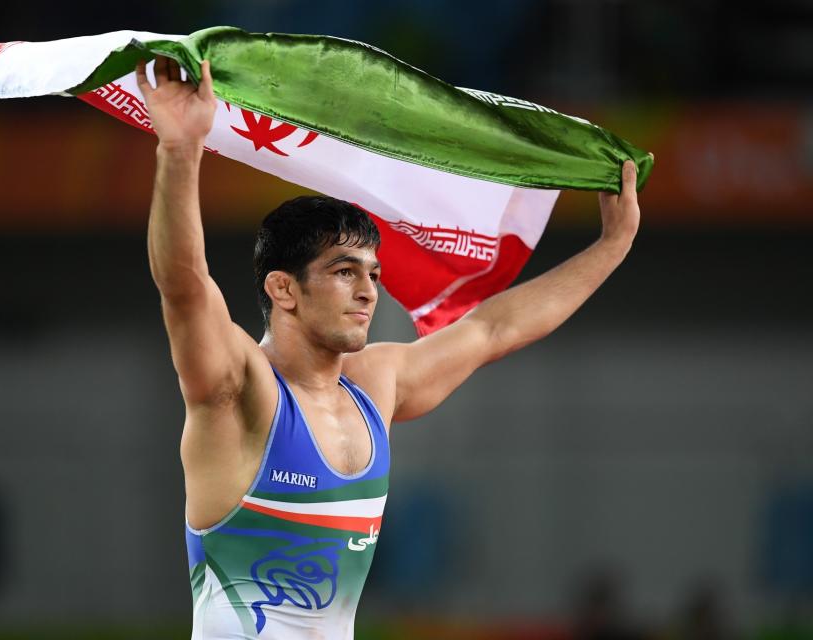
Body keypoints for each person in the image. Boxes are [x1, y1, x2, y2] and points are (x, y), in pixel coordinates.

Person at [135, 55, 641, 640]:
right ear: (284, 288)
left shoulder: (376, 386)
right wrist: (179, 151)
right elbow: (184, 286)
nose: (369, 292)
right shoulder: (240, 390)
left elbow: (494, 329)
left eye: (373, 274)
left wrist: (613, 246)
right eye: (345, 272)